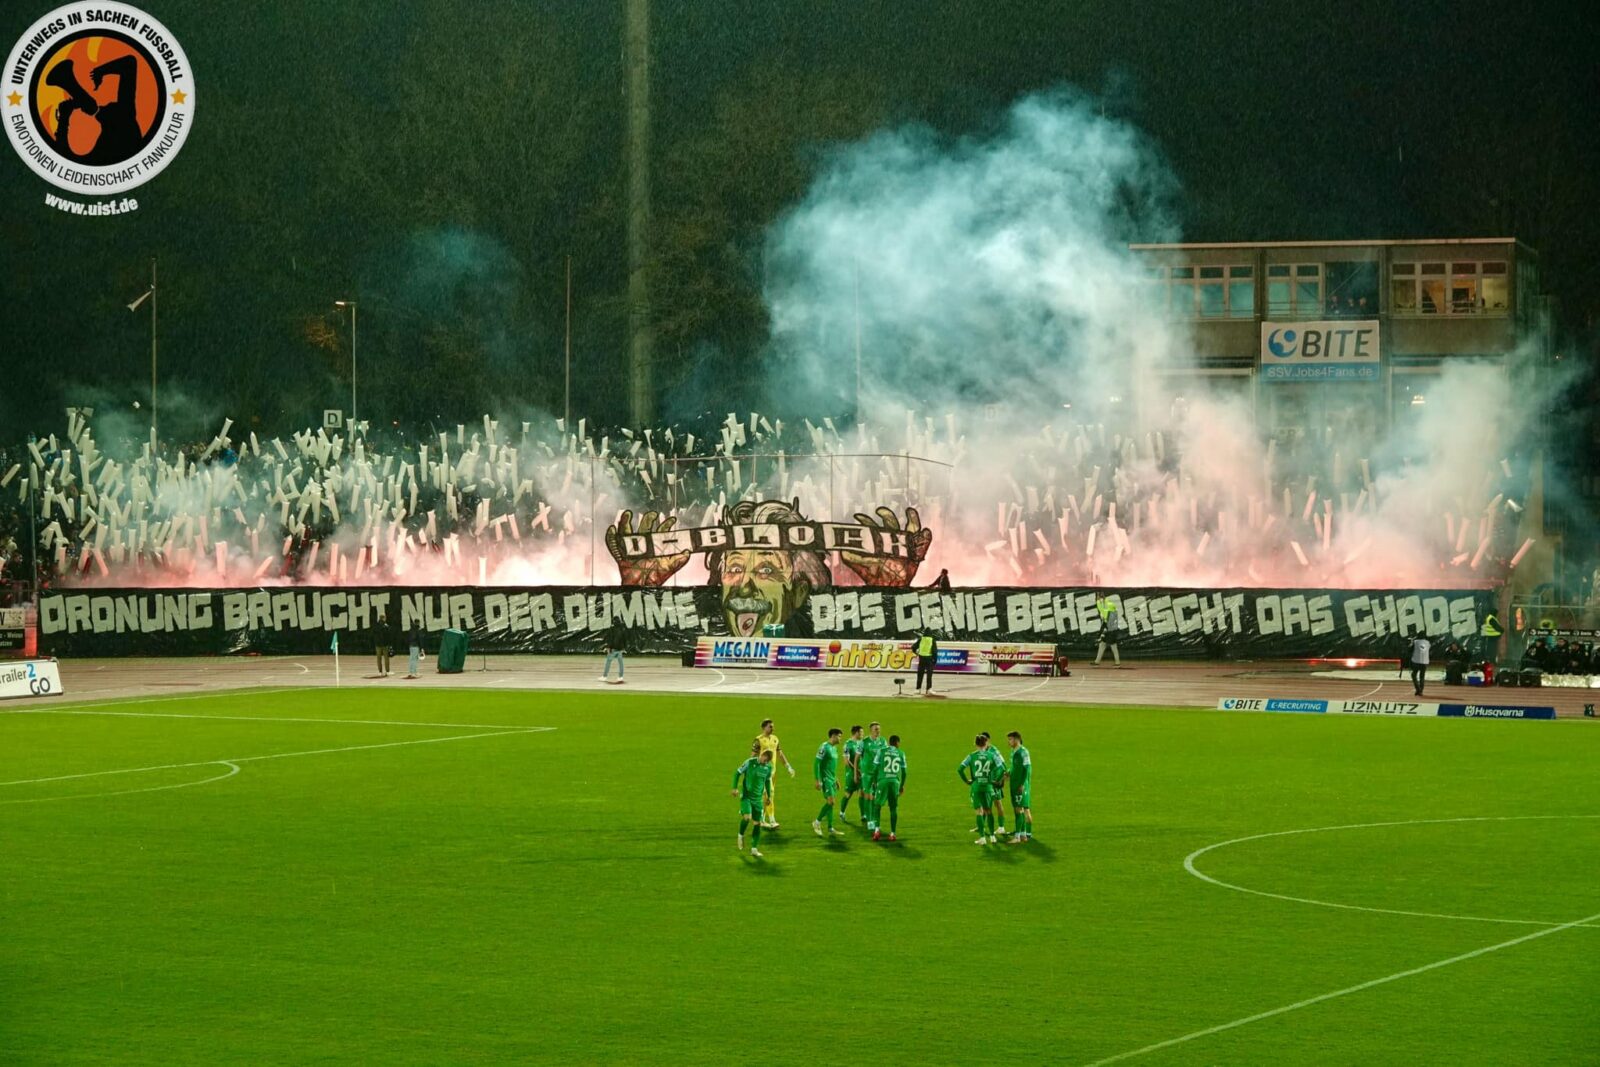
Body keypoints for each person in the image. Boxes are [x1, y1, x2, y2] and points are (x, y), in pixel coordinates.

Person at [959, 734, 1003, 844]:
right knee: (989, 811)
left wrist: (967, 781)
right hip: (988, 787)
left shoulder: (971, 756)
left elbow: (960, 769)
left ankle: (982, 838)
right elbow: (1001, 768)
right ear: (986, 743)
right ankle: (992, 836)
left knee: (979, 811)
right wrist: (996, 780)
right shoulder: (992, 755)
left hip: (976, 787)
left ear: (975, 744)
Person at [732, 748, 774, 856]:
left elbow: (768, 781)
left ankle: (754, 849)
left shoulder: (768, 767)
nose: (766, 762)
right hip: (746, 796)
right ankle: (740, 835)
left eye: (768, 761)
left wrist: (768, 796)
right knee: (747, 817)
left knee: (757, 824)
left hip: (758, 799)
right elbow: (737, 773)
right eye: (766, 759)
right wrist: (735, 788)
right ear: (762, 754)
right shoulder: (749, 762)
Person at [755, 719, 796, 828]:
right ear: (764, 727)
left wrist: (788, 766)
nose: (773, 728)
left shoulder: (775, 739)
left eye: (773, 726)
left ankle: (762, 819)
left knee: (768, 795)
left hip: (772, 772)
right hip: (762, 772)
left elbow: (779, 753)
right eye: (770, 727)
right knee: (769, 794)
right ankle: (771, 820)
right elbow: (753, 756)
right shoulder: (758, 740)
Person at [872, 735, 908, 842]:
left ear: (889, 742)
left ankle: (877, 830)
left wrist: (875, 782)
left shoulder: (881, 751)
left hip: (883, 781)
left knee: (877, 806)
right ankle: (892, 833)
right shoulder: (901, 753)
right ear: (897, 743)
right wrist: (901, 786)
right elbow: (905, 772)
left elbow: (874, 769)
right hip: (894, 782)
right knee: (893, 808)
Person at [812, 728, 846, 837]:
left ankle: (830, 828)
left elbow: (831, 766)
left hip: (832, 779)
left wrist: (836, 779)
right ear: (833, 736)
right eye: (839, 736)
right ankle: (817, 822)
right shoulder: (824, 747)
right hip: (825, 779)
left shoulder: (834, 749)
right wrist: (817, 780)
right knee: (831, 802)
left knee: (831, 804)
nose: (841, 738)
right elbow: (816, 763)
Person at [860, 722, 888, 833]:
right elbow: (858, 756)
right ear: (871, 730)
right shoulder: (864, 742)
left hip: (878, 773)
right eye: (876, 729)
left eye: (879, 729)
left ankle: (874, 821)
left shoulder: (883, 741)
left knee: (876, 798)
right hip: (867, 773)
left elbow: (885, 755)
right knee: (869, 796)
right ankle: (870, 820)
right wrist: (857, 772)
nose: (878, 731)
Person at [1007, 731, 1033, 843]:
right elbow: (1013, 767)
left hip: (1019, 785)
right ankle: (1023, 835)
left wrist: (1022, 784)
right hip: (1013, 783)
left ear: (1017, 739)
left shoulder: (1024, 752)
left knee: (1019, 810)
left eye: (1010, 739)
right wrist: (1008, 773)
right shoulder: (1013, 752)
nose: (1009, 742)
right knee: (1019, 809)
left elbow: (1027, 769)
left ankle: (1017, 837)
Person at [838, 725, 866, 823]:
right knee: (848, 794)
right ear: (856, 733)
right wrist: (856, 771)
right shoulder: (848, 744)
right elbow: (846, 761)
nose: (863, 734)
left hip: (861, 773)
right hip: (851, 774)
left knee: (862, 793)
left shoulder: (862, 743)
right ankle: (842, 812)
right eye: (861, 732)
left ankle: (863, 815)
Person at [1093, 595, 1123, 667]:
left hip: (1111, 631)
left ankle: (1117, 663)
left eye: (1099, 599)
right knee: (1102, 645)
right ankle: (1097, 662)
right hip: (1110, 629)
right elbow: (1105, 622)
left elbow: (1103, 611)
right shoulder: (1107, 606)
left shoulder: (1107, 606)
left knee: (1113, 646)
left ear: (1102, 599)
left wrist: (1098, 602)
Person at [601, 614, 628, 683]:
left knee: (608, 662)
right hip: (620, 649)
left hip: (614, 649)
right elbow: (625, 639)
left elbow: (611, 639)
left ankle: (604, 676)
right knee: (621, 663)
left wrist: (609, 647)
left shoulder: (612, 629)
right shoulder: (623, 628)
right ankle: (620, 677)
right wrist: (624, 648)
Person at [914, 628, 939, 694]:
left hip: (921, 658)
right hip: (929, 659)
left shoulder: (921, 639)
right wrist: (935, 661)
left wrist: (916, 653)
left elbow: (913, 647)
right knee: (929, 675)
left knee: (920, 674)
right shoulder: (932, 640)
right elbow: (934, 651)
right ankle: (928, 689)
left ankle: (918, 689)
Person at [374, 610, 394, 677]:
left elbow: (373, 634)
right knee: (386, 658)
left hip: (377, 645)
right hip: (385, 644)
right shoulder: (386, 626)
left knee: (378, 658)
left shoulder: (376, 625)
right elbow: (389, 635)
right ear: (384, 618)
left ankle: (380, 671)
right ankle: (387, 671)